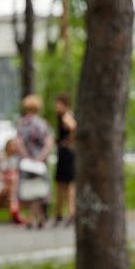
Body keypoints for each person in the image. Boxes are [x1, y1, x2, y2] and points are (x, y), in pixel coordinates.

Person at [15, 94, 54, 229]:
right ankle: (38, 219)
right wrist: (40, 158)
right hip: (39, 163)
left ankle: (33, 219)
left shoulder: (21, 124)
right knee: (39, 190)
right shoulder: (42, 124)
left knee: (30, 189)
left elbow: (19, 143)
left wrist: (27, 157)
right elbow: (49, 144)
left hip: (26, 163)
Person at [52, 93, 77, 226]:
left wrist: (68, 141)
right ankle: (60, 213)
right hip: (66, 153)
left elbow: (73, 127)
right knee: (63, 184)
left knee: (66, 184)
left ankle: (69, 212)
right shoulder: (64, 115)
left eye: (58, 104)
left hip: (66, 154)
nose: (56, 106)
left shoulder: (66, 116)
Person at [0, 137, 26, 225]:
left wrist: (10, 177)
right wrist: (4, 178)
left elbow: (15, 173)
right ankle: (16, 212)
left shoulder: (15, 158)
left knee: (14, 180)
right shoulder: (0, 157)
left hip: (10, 185)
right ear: (7, 146)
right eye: (12, 145)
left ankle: (14, 209)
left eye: (15, 146)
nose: (14, 147)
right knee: (13, 184)